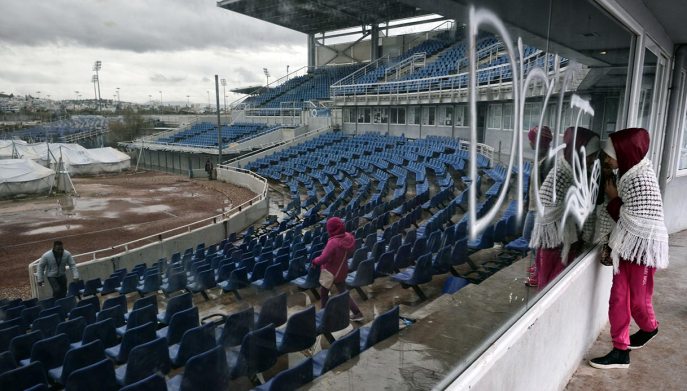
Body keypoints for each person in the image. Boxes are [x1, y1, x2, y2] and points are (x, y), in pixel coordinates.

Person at [589, 128, 668, 369]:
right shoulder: (624, 173)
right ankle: (620, 350)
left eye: (609, 155)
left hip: (643, 249)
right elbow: (623, 215)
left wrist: (613, 199)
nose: (605, 159)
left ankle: (649, 327)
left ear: (624, 154)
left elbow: (632, 218)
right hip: (625, 248)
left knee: (639, 301)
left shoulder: (640, 179)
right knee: (618, 298)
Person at [530, 127, 600, 288]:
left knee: (551, 282)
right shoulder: (564, 173)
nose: (593, 159)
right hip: (556, 239)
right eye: (591, 155)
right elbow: (548, 209)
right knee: (552, 283)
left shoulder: (574, 171)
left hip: (558, 238)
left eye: (595, 155)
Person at [312, 217, 364, 322]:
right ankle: (357, 312)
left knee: (324, 292)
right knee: (343, 292)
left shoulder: (333, 243)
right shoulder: (348, 237)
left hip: (330, 272)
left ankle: (324, 313)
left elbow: (323, 258)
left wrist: (314, 261)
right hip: (342, 269)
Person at [524, 126, 554, 287]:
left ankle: (539, 272)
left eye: (531, 139)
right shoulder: (540, 159)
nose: (529, 142)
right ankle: (538, 265)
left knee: (532, 238)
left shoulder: (548, 162)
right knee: (530, 238)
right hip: (533, 207)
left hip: (540, 211)